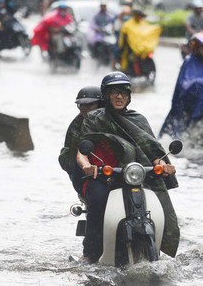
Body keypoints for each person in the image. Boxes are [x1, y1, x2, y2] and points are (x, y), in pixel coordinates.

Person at [75, 71, 179, 263]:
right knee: (97, 201)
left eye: (123, 92)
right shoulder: (94, 118)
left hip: (135, 175)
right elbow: (81, 151)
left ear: (129, 96)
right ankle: (90, 254)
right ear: (106, 96)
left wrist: (163, 165)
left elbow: (152, 152)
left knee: (158, 202)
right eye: (114, 92)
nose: (119, 96)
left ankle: (158, 246)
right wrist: (87, 165)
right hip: (104, 176)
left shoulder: (138, 120)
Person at [58, 87, 103, 195]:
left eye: (90, 105)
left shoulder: (112, 120)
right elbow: (72, 156)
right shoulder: (76, 126)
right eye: (81, 105)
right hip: (87, 171)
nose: (85, 109)